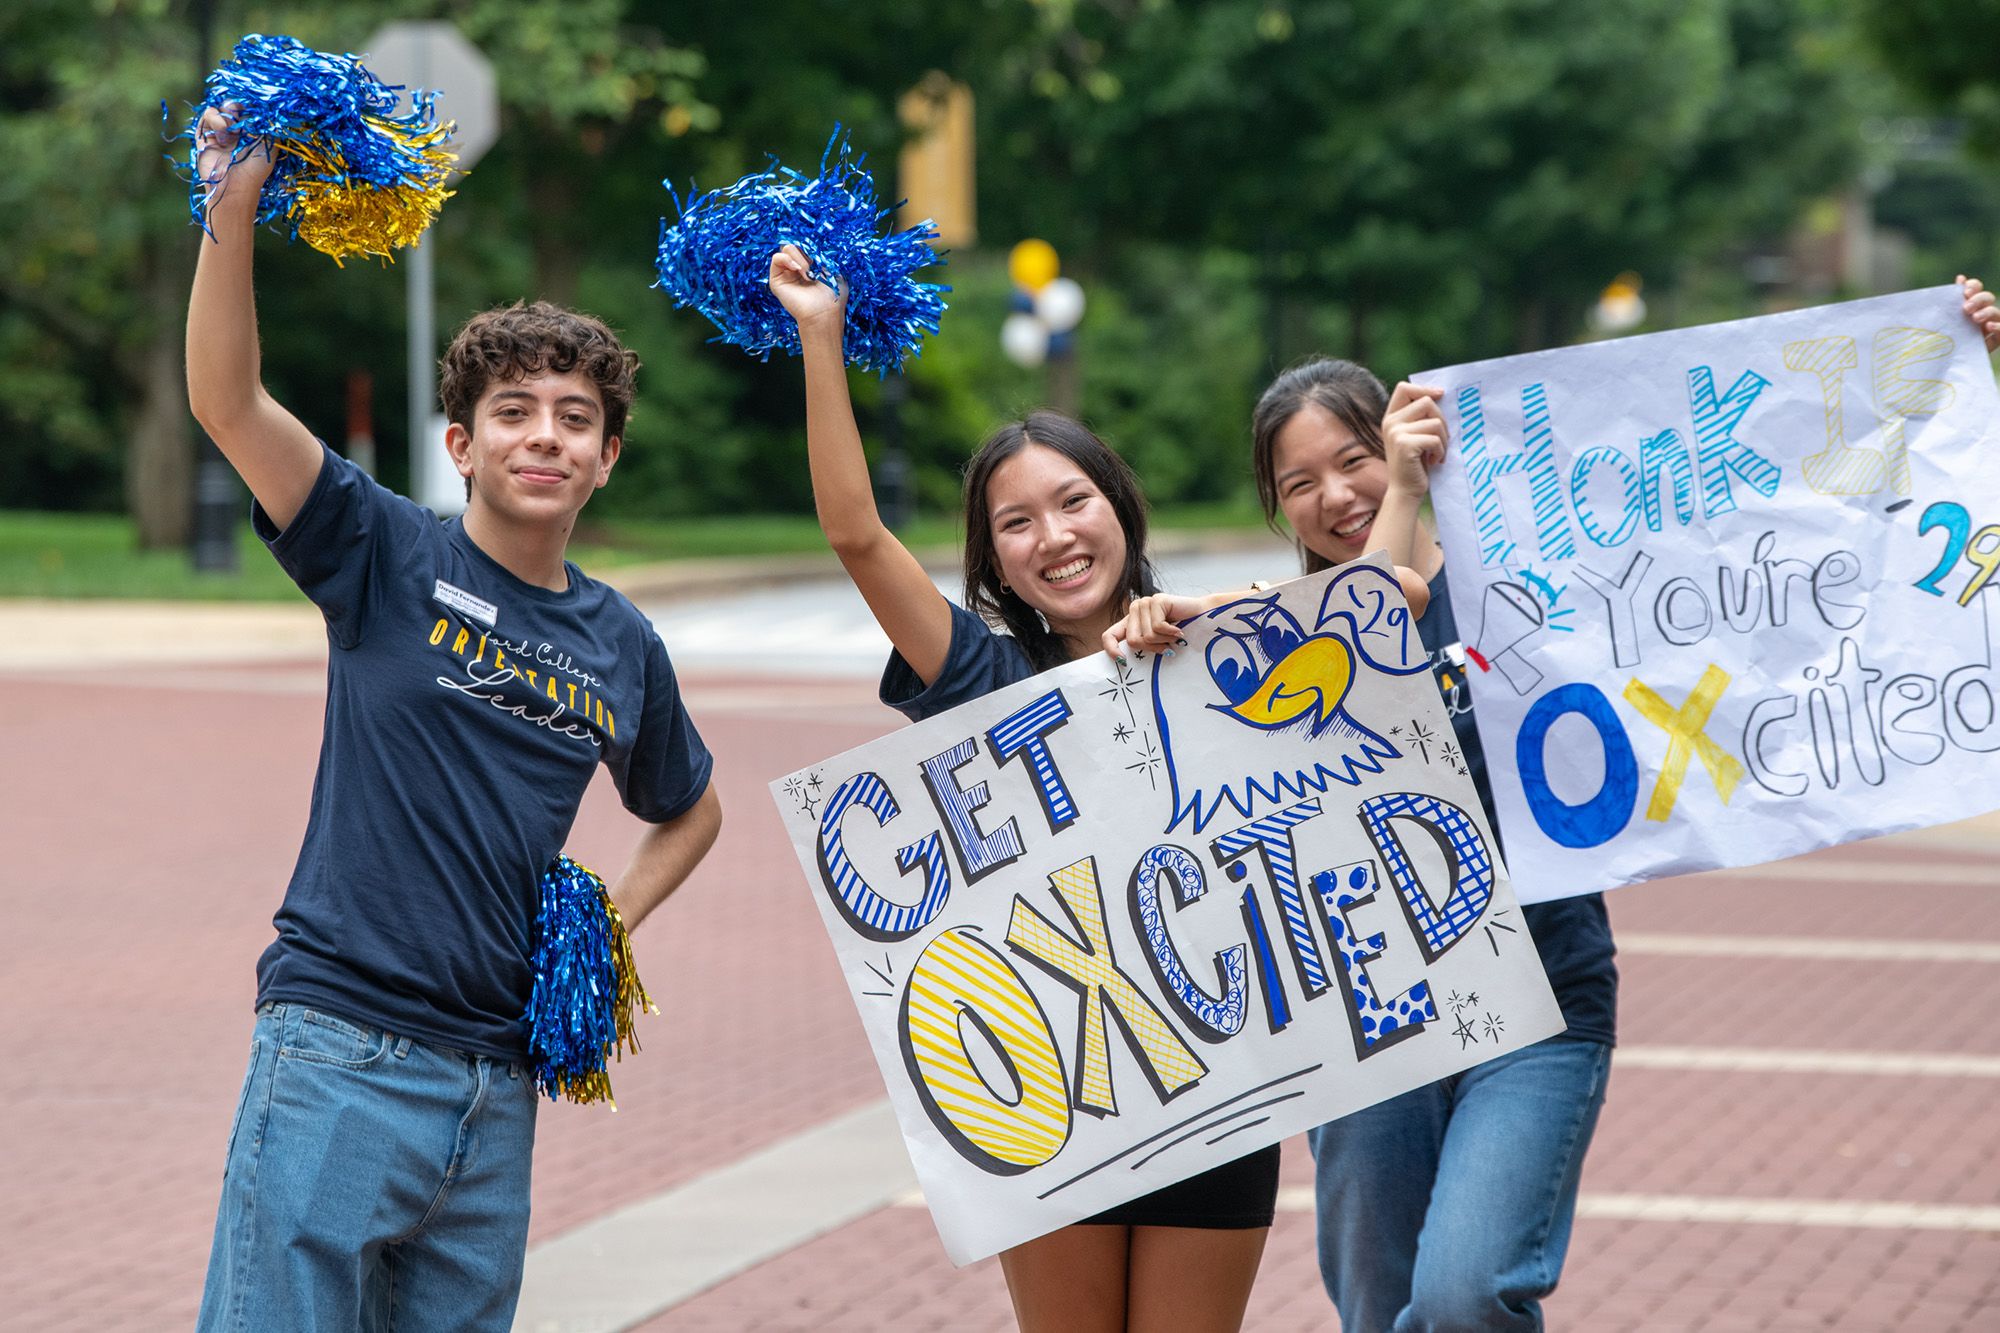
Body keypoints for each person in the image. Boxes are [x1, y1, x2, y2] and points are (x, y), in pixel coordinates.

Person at [1110, 273, 2000, 1331]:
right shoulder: (1254, 635)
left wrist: (1941, 364)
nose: (1332, 496)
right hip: (1365, 1018)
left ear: (1404, 449)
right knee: (1381, 1306)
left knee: (1462, 1296)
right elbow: (1342, 637)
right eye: (1297, 481)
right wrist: (1151, 620)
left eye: (1352, 460)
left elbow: (1785, 509)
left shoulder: (1534, 581)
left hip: (1539, 999)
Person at [187, 106, 722, 1332]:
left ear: (607, 460)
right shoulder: (379, 548)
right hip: (336, 1053)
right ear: (461, 445)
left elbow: (691, 807)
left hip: (497, 1088)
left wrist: (603, 927)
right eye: (517, 412)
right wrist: (227, 220)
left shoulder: (622, 641)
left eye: (576, 418)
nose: (546, 434)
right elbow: (226, 400)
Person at [767, 242, 1277, 1333]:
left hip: (1223, 1084)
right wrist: (820, 337)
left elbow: (1379, 605)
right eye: (1015, 523)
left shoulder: (1224, 656)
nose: (1053, 535)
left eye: (1072, 500)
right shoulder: (982, 681)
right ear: (993, 566)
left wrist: (1201, 613)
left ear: (1120, 508)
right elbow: (855, 534)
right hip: (1054, 1095)